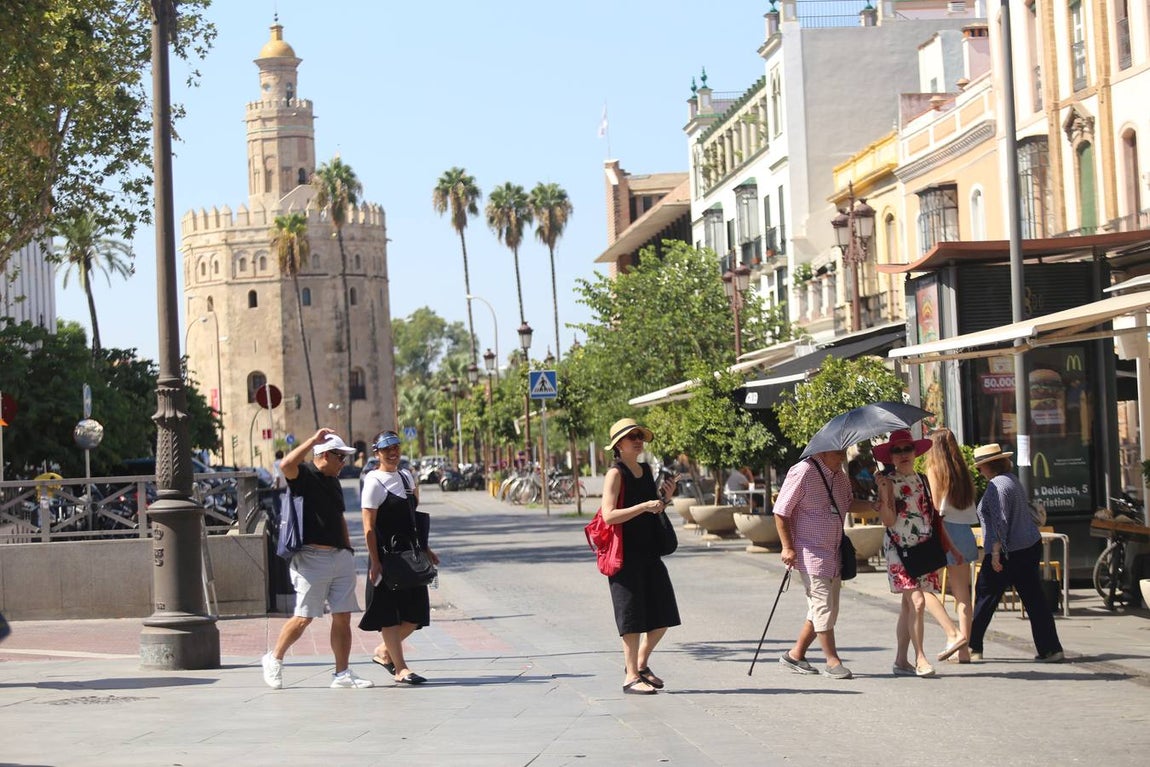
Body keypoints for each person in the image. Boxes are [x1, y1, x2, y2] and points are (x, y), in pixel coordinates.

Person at [261, 428, 373, 689]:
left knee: (342, 616)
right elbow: (286, 464)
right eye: (340, 457)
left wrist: (347, 549)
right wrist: (312, 440)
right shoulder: (304, 475)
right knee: (304, 617)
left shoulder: (334, 481)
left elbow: (339, 517)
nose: (343, 463)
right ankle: (274, 658)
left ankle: (342, 673)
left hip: (339, 556)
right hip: (311, 558)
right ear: (323, 455)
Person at [773, 448, 874, 679]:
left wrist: (874, 505)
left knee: (827, 608)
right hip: (810, 551)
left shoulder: (838, 474)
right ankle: (832, 661)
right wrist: (787, 547)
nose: (843, 457)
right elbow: (780, 511)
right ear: (825, 451)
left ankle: (795, 655)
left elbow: (847, 503)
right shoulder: (803, 471)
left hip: (834, 550)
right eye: (839, 452)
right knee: (822, 606)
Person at [874, 430, 966, 678]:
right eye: (897, 450)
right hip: (899, 549)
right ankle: (920, 658)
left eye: (907, 449)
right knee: (917, 601)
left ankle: (900, 660)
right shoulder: (888, 482)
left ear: (915, 452)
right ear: (890, 456)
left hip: (923, 548)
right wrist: (884, 493)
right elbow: (888, 520)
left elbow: (934, 518)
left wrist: (952, 548)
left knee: (908, 605)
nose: (903, 454)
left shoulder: (923, 480)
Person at [601, 418, 680, 695]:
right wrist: (644, 505)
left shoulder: (646, 470)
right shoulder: (616, 473)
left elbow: (651, 508)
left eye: (640, 436)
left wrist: (662, 500)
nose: (637, 440)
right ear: (618, 445)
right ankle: (630, 676)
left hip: (649, 553)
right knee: (632, 618)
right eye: (631, 436)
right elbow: (609, 515)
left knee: (663, 615)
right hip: (625, 556)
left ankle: (641, 664)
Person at [968, 443, 1064, 663]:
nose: (979, 470)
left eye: (980, 466)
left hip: (1007, 551)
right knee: (1034, 598)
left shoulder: (996, 486)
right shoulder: (1012, 480)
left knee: (985, 595)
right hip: (1028, 545)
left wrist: (994, 553)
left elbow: (1000, 521)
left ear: (987, 466)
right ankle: (1051, 648)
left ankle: (973, 647)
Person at [359, 430, 439, 685]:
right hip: (386, 556)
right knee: (388, 614)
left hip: (410, 555)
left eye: (396, 447)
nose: (393, 452)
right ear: (377, 453)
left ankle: (384, 652)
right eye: (387, 449)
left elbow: (414, 518)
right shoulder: (374, 482)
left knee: (416, 615)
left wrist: (426, 549)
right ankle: (400, 668)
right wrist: (375, 561)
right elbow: (369, 527)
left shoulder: (406, 477)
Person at [925, 428, 978, 664]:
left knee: (923, 588)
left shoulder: (934, 469)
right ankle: (964, 649)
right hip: (965, 533)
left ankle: (953, 634)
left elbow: (936, 509)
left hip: (944, 532)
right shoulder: (962, 472)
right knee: (963, 596)